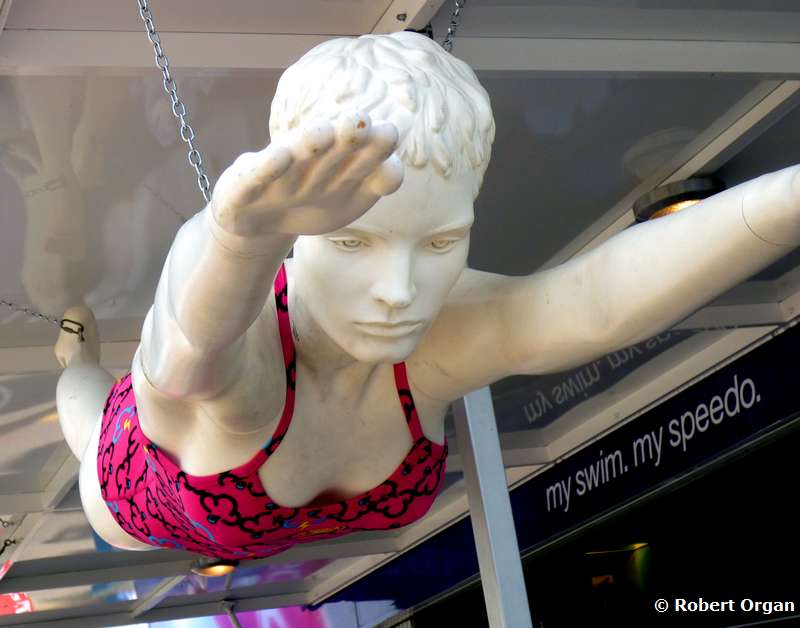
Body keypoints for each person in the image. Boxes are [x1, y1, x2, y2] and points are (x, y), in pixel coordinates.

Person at [55, 32, 800, 559]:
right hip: (131, 492)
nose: (401, 292)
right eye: (354, 243)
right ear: (299, 235)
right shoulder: (246, 352)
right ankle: (75, 357)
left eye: (441, 243)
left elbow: (592, 303)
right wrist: (233, 241)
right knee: (89, 416)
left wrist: (789, 198)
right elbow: (184, 357)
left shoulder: (440, 337)